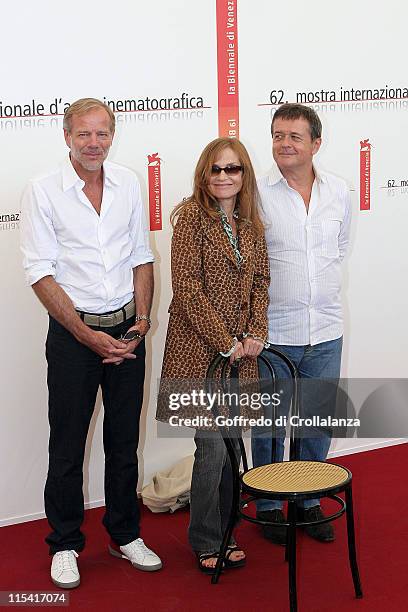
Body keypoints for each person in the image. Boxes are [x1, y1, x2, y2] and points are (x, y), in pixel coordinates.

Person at [20, 98, 162, 589]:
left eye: (102, 133)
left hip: (128, 333)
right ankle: (63, 542)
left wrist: (140, 325)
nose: (94, 143)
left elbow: (142, 256)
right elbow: (39, 273)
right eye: (84, 134)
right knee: (66, 447)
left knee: (124, 444)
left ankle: (125, 534)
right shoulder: (42, 191)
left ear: (112, 135)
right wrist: (86, 335)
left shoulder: (128, 183)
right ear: (67, 136)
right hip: (72, 339)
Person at [156, 137, 270, 573]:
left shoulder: (251, 222)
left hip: (243, 353)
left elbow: (261, 281)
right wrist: (226, 341)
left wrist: (256, 333)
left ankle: (227, 529)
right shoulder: (189, 218)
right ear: (205, 174)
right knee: (212, 450)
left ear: (244, 175)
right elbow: (187, 290)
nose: (224, 177)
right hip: (199, 352)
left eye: (233, 169)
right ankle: (206, 537)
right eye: (216, 169)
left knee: (231, 445)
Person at [252, 103, 352, 544]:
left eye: (294, 136)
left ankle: (309, 500)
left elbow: (340, 247)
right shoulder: (256, 193)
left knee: (316, 420)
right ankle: (271, 504)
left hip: (326, 329)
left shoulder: (341, 192)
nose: (284, 144)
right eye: (277, 135)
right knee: (271, 423)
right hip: (275, 333)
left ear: (316, 143)